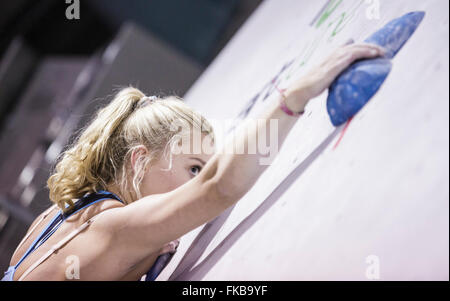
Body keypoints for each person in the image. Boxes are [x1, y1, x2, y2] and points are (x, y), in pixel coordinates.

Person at [2, 42, 385, 281]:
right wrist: (297, 95)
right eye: (193, 168)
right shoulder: (114, 228)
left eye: (201, 168)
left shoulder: (57, 216)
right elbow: (218, 187)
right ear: (138, 162)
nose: (197, 178)